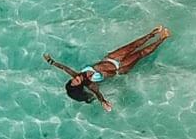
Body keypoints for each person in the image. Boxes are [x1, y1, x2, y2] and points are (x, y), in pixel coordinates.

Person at [43, 26, 171, 111]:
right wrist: (103, 102)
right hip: (120, 68)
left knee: (132, 45)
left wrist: (51, 61)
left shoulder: (77, 74)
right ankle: (163, 38)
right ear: (80, 85)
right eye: (76, 81)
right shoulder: (91, 84)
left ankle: (153, 33)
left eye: (73, 79)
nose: (76, 78)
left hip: (110, 58)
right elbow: (98, 94)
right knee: (141, 53)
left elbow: (64, 68)